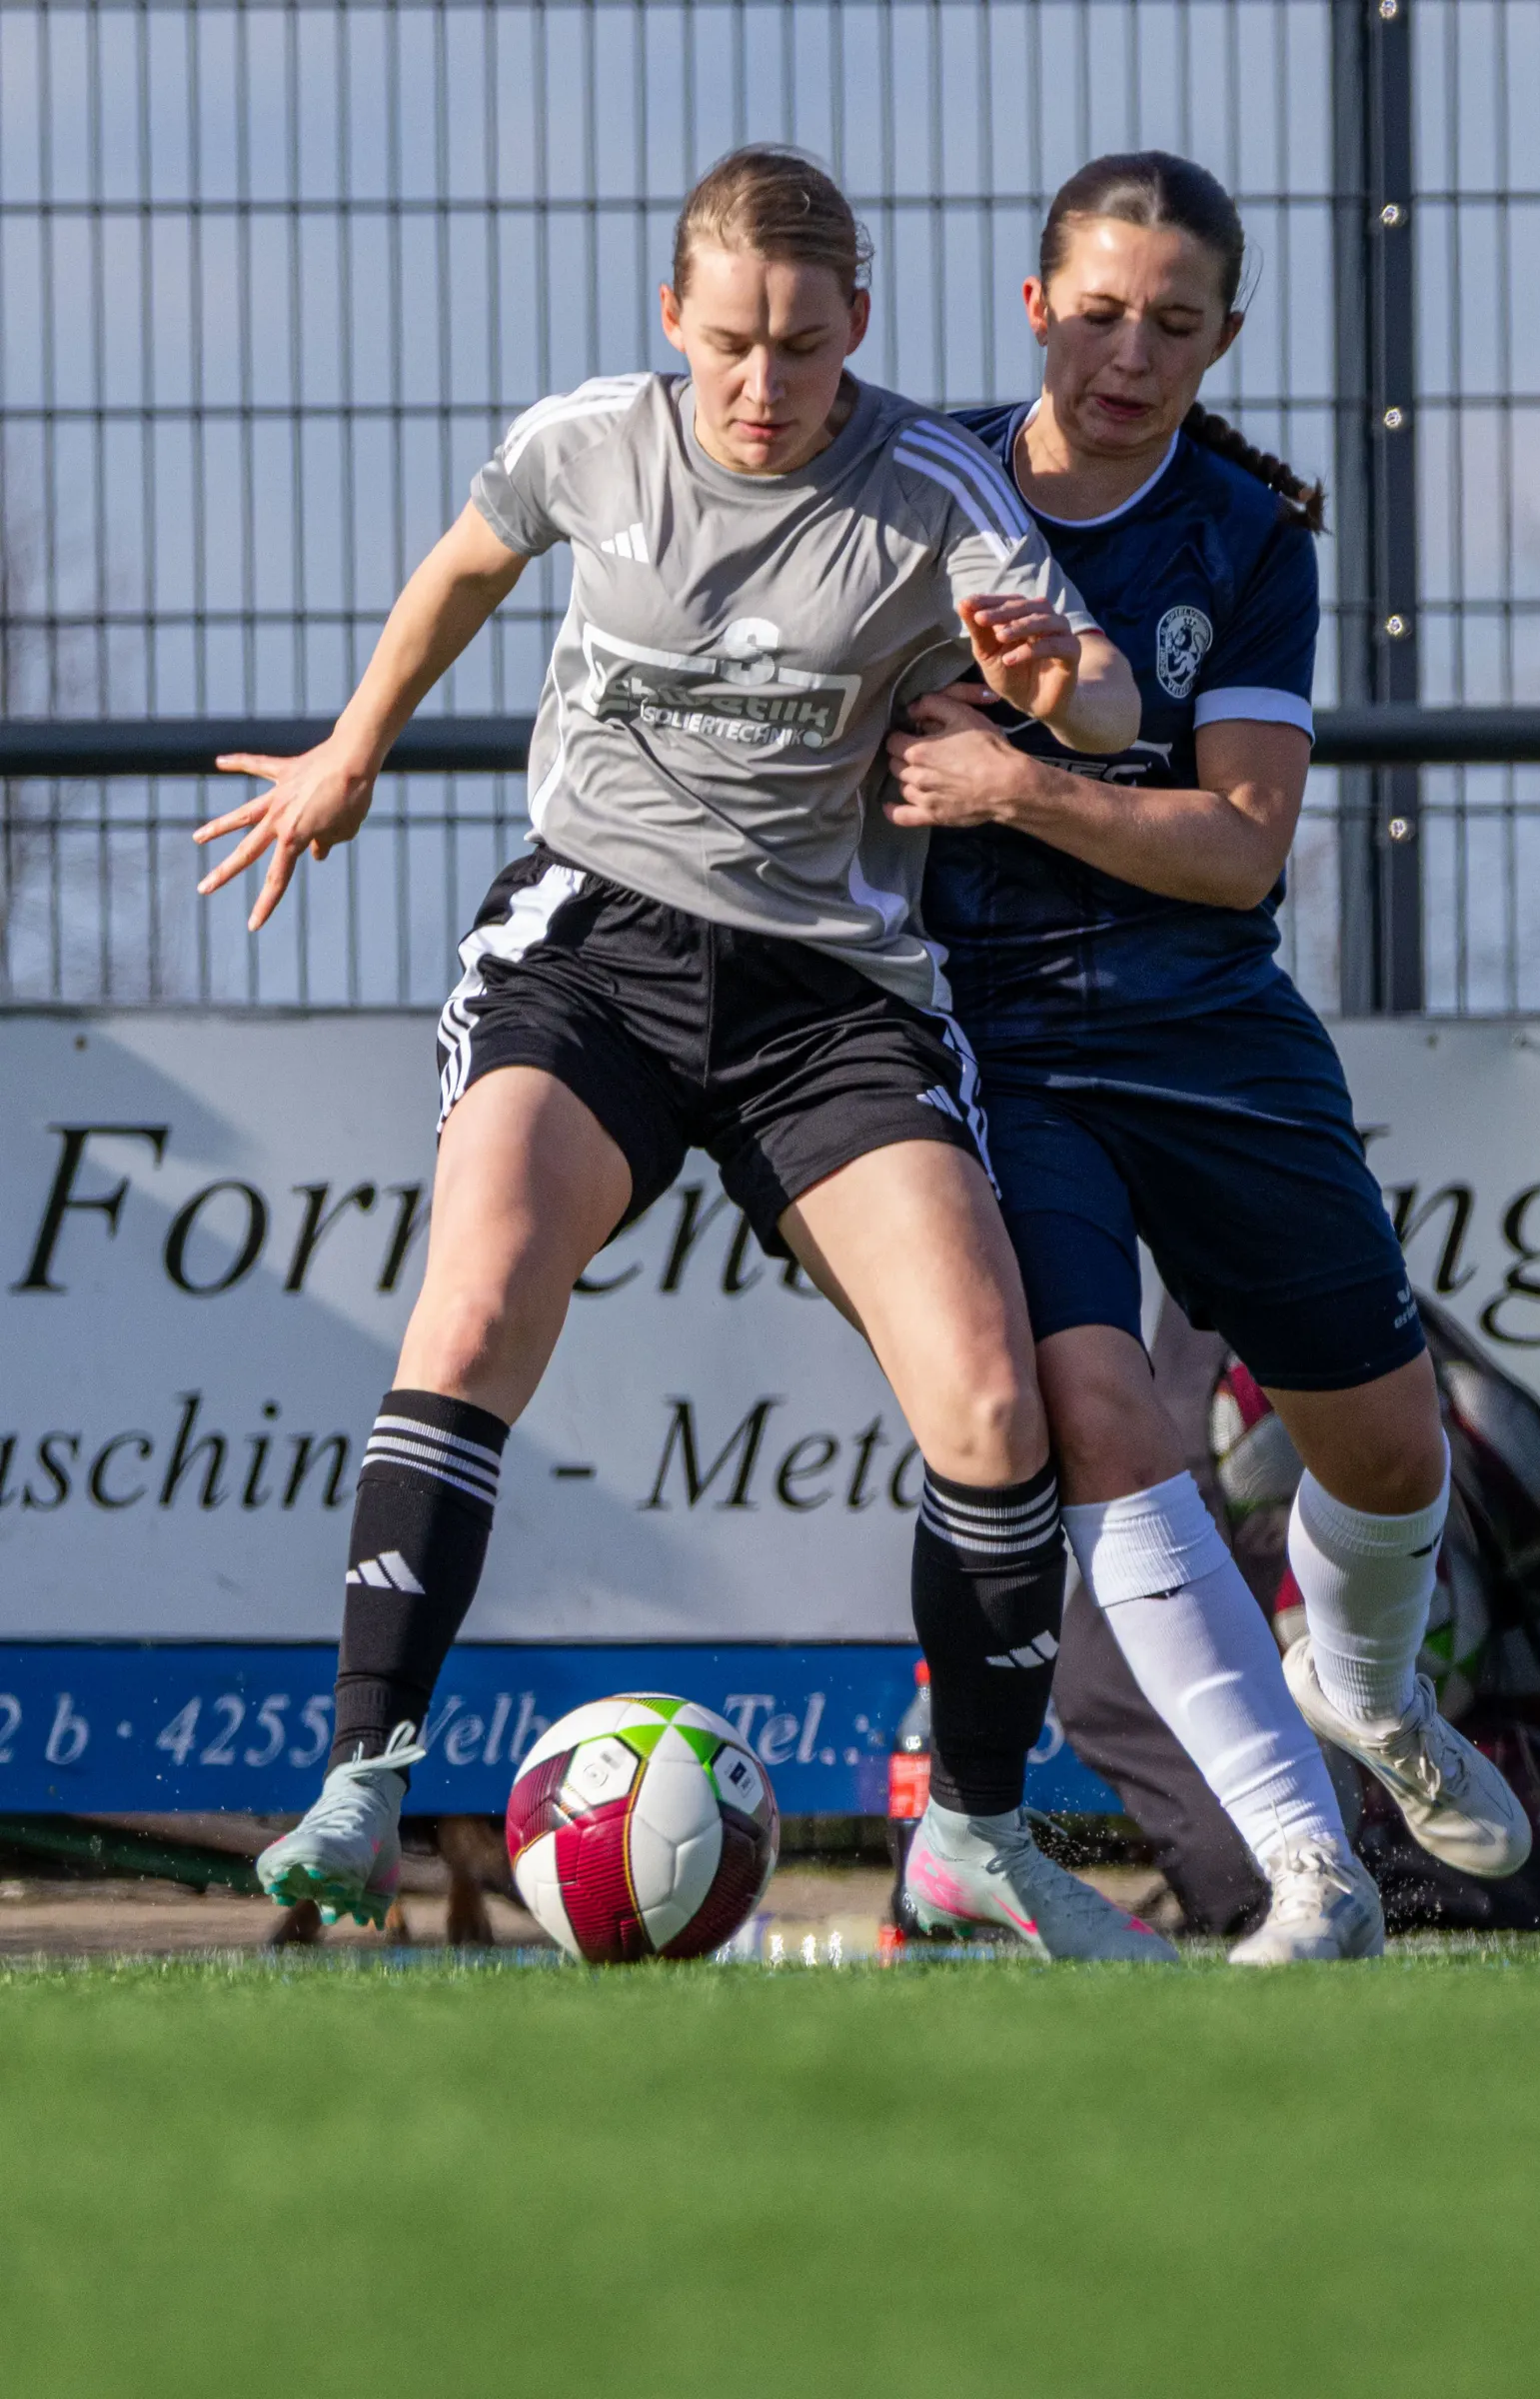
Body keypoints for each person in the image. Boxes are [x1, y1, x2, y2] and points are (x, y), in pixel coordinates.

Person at [194, 146, 1173, 1963]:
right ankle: (360, 1788)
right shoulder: (590, 440)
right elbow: (467, 561)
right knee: (474, 1309)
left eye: (801, 347)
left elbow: (1104, 695)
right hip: (593, 955)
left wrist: (1058, 685)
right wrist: (349, 749)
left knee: (990, 1405)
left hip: (832, 999)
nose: (762, 384)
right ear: (673, 317)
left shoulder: (932, 485)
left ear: (857, 323)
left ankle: (971, 1838)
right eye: (728, 343)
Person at [886, 150, 1531, 1963]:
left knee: (1390, 1450)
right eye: (1098, 313)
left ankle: (1372, 1691)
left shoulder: (1249, 539)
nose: (1130, 354)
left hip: (1209, 1024)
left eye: (1174, 325)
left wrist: (1018, 783)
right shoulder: (919, 490)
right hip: (999, 1042)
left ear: (1224, 338)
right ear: (1035, 307)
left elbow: (1241, 848)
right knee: (1100, 1412)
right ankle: (1311, 1861)